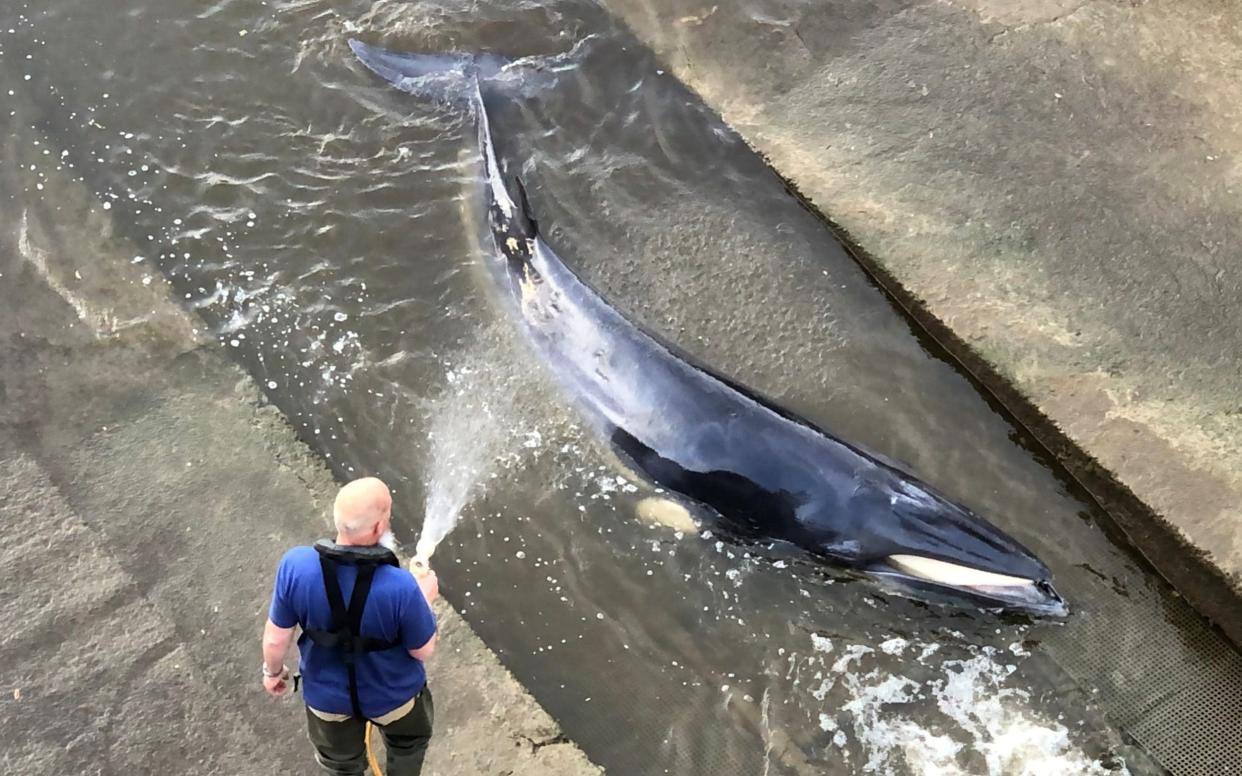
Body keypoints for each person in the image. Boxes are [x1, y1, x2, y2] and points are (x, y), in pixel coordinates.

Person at [261, 477, 441, 775]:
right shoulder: (401, 587)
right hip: (394, 697)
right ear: (378, 527)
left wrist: (273, 673)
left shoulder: (296, 566)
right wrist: (423, 601)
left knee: (340, 765)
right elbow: (423, 650)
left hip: (327, 702)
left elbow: (275, 639)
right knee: (408, 743)